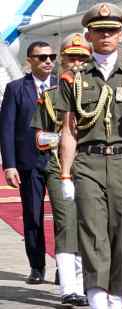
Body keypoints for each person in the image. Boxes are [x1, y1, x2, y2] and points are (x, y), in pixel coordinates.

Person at [55, 3, 122, 309]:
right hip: (89, 162)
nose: (106, 36)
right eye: (100, 31)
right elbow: (69, 130)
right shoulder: (74, 78)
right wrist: (65, 174)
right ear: (89, 36)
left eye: (112, 31)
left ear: (121, 35)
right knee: (93, 240)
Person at [30, 33, 91, 306]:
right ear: (62, 60)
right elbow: (40, 137)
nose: (76, 63)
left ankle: (89, 283)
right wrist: (61, 140)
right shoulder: (50, 97)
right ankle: (69, 286)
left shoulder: (99, 91)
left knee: (91, 225)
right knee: (66, 224)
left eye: (82, 57)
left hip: (93, 167)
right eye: (71, 57)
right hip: (58, 167)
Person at [0, 41, 56, 284]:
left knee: (65, 218)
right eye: (42, 57)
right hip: (29, 162)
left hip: (59, 162)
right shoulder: (16, 89)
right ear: (30, 60)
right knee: (33, 215)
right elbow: (7, 128)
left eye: (52, 56)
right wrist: (9, 165)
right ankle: (37, 266)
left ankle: (64, 268)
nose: (48, 61)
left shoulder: (63, 86)